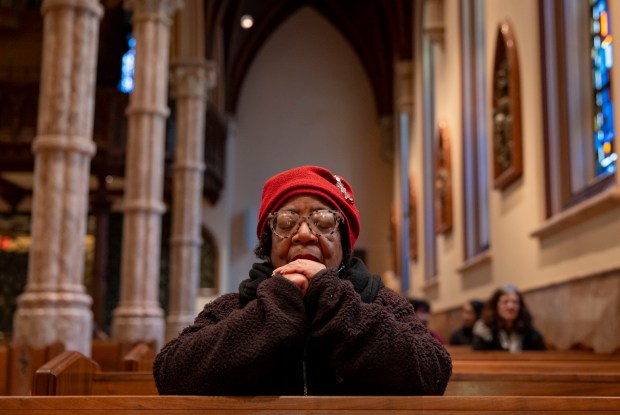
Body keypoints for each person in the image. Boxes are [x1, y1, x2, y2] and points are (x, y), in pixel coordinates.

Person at [153, 165, 452, 395]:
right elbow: (170, 373)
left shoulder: (381, 300)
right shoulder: (236, 306)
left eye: (323, 221)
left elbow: (432, 371)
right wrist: (277, 303)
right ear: (269, 241)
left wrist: (332, 298)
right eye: (287, 222)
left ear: (345, 243)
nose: (305, 234)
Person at [472, 284, 546, 351]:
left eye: (515, 302)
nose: (510, 306)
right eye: (505, 302)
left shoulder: (529, 331)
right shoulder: (484, 330)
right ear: (495, 305)